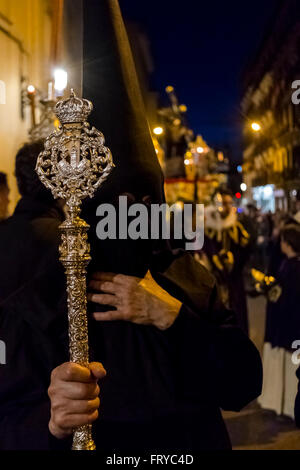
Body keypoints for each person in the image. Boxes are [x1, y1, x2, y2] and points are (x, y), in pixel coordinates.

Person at [0, 0, 263, 451]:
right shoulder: (45, 296)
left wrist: (172, 317)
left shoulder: (186, 280)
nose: (134, 217)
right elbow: (10, 419)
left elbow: (242, 383)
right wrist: (52, 419)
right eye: (118, 205)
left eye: (146, 202)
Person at [257, 224, 300, 419]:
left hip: (288, 328)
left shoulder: (292, 267)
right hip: (290, 328)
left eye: (282, 240)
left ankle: (291, 408)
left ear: (288, 243)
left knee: (292, 370)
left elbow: (286, 298)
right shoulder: (289, 264)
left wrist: (271, 291)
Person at [201, 188, 251, 334]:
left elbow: (245, 250)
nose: (227, 207)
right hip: (213, 281)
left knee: (236, 316)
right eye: (224, 202)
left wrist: (233, 260)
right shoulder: (206, 228)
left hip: (233, 280)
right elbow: (203, 251)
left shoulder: (237, 228)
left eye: (229, 203)